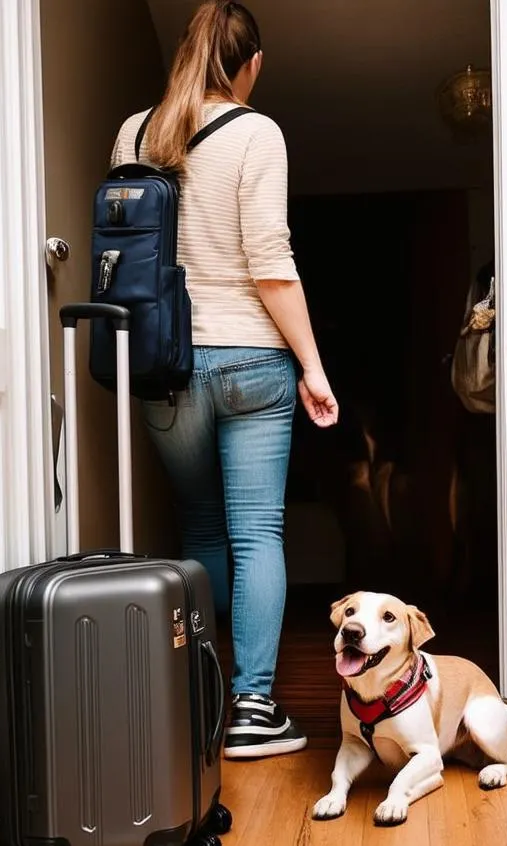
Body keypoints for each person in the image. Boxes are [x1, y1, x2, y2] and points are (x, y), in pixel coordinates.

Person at [110, 1, 338, 759]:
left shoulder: (135, 134)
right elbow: (271, 263)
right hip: (249, 362)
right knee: (257, 532)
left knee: (201, 528)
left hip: (164, 363)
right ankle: (253, 707)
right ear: (252, 64)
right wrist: (312, 365)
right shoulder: (256, 132)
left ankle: (201, 700)